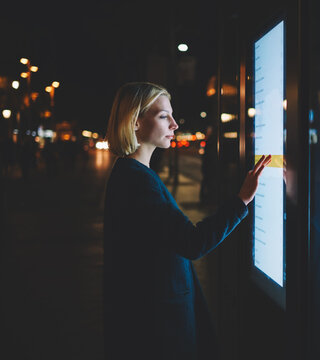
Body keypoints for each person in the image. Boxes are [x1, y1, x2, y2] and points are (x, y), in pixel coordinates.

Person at [103, 82, 271, 360]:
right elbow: (193, 242)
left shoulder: (132, 174)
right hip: (158, 326)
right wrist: (241, 200)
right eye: (162, 116)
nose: (174, 124)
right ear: (134, 122)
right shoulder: (138, 181)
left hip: (149, 315)